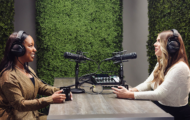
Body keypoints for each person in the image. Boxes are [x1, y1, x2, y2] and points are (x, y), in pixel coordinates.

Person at [112, 29, 190, 120]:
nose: (154, 44)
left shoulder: (180, 68)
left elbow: (159, 94)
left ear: (171, 46)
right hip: (161, 108)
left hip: (177, 114)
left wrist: (129, 95)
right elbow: (148, 83)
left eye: (159, 41)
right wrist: (132, 90)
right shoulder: (161, 62)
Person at [0, 31, 71, 120]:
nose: (35, 49)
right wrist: (51, 99)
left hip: (33, 115)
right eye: (30, 46)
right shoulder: (8, 76)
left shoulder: (27, 69)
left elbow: (41, 87)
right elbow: (20, 105)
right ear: (18, 49)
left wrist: (62, 91)